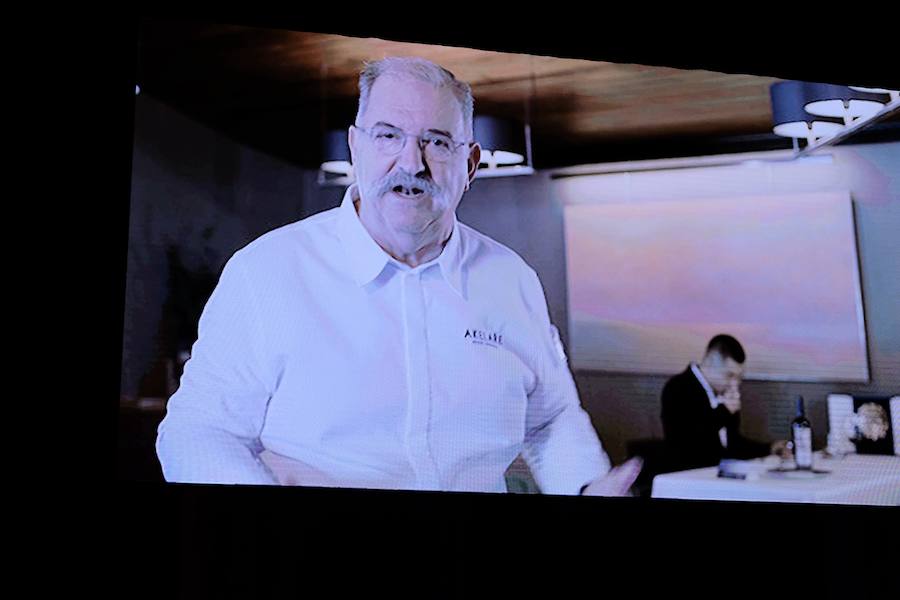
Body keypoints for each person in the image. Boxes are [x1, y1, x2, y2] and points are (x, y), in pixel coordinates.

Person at [156, 56, 640, 495]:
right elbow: (198, 431)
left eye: (437, 142)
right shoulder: (267, 271)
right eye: (388, 135)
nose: (412, 162)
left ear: (470, 164)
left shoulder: (512, 279)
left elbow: (550, 418)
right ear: (355, 147)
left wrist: (583, 487)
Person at [660, 334, 784, 471]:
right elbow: (690, 441)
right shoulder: (678, 387)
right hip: (688, 474)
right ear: (709, 363)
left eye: (738, 377)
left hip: (720, 472)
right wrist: (725, 411)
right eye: (729, 375)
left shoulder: (723, 393)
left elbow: (732, 444)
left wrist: (769, 448)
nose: (734, 383)